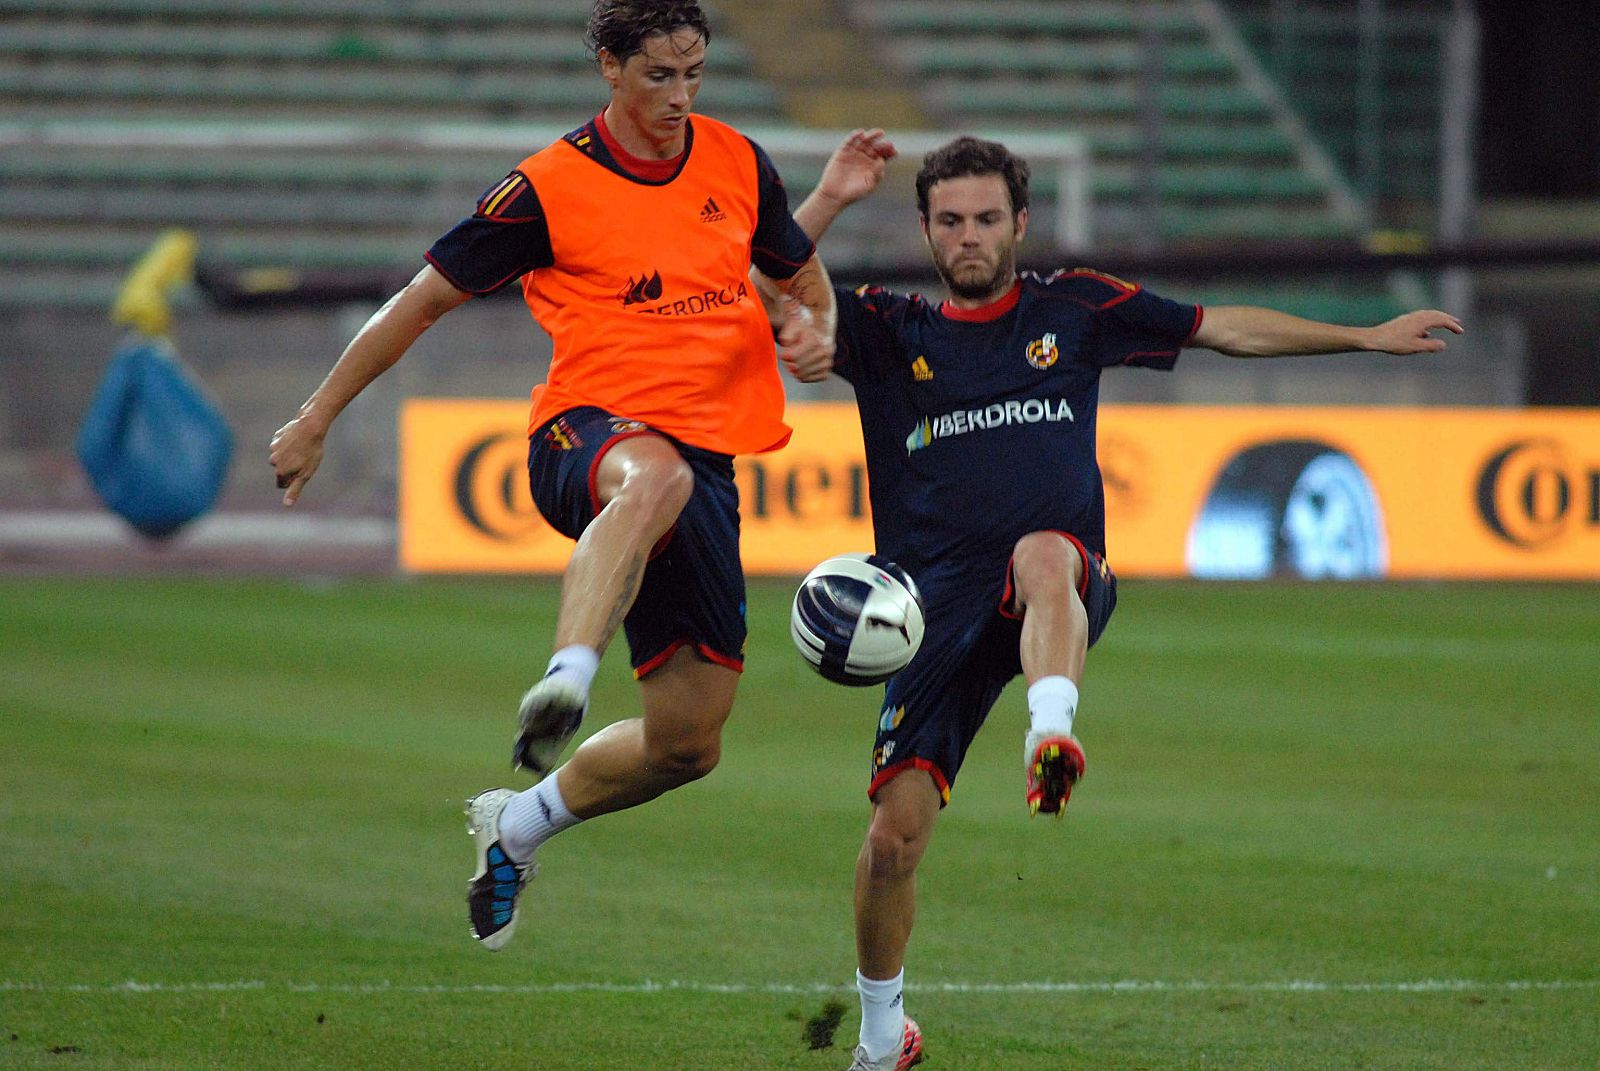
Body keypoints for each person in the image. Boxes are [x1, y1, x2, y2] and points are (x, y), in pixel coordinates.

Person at [765, 131, 1462, 1071]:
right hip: (928, 613)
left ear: (1020, 221)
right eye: (948, 222)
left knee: (1044, 551)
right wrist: (831, 198)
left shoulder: (1076, 307)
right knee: (892, 838)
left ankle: (1052, 729)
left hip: (1055, 584)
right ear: (927, 232)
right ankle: (885, 1037)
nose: (968, 237)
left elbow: (1221, 326)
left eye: (984, 219)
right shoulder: (893, 328)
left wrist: (1364, 337)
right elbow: (770, 291)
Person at [268, 0, 837, 952]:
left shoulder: (738, 161)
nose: (680, 95)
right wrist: (316, 415)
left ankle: (520, 823)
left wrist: (811, 329)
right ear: (609, 69)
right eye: (659, 75)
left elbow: (799, 273)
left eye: (694, 74)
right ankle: (567, 674)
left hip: (708, 453)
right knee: (654, 481)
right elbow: (420, 303)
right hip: (585, 435)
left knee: (689, 743)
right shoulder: (547, 186)